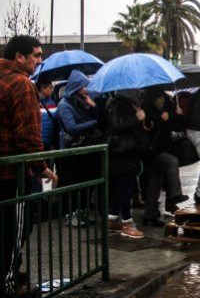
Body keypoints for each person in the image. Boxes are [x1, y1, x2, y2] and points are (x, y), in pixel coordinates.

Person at [0, 36, 57, 297]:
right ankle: (8, 283)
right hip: (12, 174)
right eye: (36, 55)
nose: (39, 60)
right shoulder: (22, 84)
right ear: (19, 57)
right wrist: (42, 168)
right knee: (15, 230)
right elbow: (28, 137)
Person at [57, 70, 102, 226]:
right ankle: (70, 216)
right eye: (83, 87)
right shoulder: (65, 105)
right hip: (70, 152)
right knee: (72, 185)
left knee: (83, 184)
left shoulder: (83, 102)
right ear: (76, 87)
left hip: (82, 150)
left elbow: (96, 117)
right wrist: (94, 123)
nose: (86, 90)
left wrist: (94, 107)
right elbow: (72, 128)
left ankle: (81, 214)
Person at [140, 88, 186, 226]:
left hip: (159, 149)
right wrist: (160, 120)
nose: (162, 101)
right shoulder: (146, 110)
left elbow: (172, 126)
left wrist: (177, 114)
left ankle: (150, 215)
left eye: (163, 98)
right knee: (172, 161)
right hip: (151, 151)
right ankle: (175, 195)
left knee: (155, 183)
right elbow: (147, 128)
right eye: (159, 98)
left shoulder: (163, 110)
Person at [105, 90, 147, 238]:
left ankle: (112, 218)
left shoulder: (130, 104)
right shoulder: (118, 105)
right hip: (122, 152)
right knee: (126, 189)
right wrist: (136, 118)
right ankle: (127, 223)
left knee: (122, 187)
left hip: (129, 151)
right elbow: (117, 125)